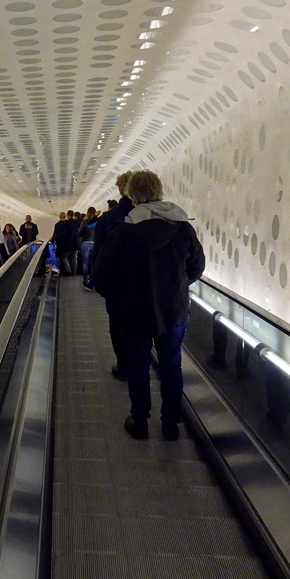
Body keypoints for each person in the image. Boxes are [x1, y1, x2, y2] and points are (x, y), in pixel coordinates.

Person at [94, 170, 205, 441]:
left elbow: (103, 275)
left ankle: (140, 420)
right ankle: (170, 424)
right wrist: (175, 288)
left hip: (134, 311)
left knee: (138, 366)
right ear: (159, 191)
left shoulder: (124, 231)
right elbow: (197, 267)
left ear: (131, 195)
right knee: (171, 365)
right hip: (173, 311)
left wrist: (119, 298)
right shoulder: (183, 227)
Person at [90, 172, 136, 370]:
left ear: (120, 189)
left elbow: (98, 253)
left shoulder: (109, 218)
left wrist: (100, 284)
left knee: (118, 325)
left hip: (117, 284)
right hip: (147, 284)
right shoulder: (157, 217)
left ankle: (124, 364)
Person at [50, 212, 78, 276]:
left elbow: (56, 234)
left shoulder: (57, 224)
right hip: (67, 243)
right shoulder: (67, 224)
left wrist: (52, 239)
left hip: (60, 243)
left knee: (62, 257)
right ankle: (72, 271)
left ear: (59, 217)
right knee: (68, 257)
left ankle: (66, 271)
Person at [79, 206, 99, 288]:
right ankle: (92, 278)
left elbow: (80, 233)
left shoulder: (85, 222)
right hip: (94, 243)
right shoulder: (97, 222)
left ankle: (85, 280)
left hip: (85, 243)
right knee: (93, 262)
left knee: (85, 263)